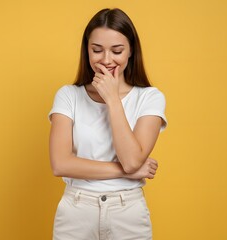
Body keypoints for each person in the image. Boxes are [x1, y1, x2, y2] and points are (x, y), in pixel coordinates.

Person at [48, 8, 168, 240]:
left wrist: (113, 99)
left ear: (131, 50)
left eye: (117, 51)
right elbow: (60, 164)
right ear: (87, 51)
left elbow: (132, 160)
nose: (106, 60)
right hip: (76, 211)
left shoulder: (150, 98)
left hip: (128, 212)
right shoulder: (68, 96)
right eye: (96, 50)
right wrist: (126, 172)